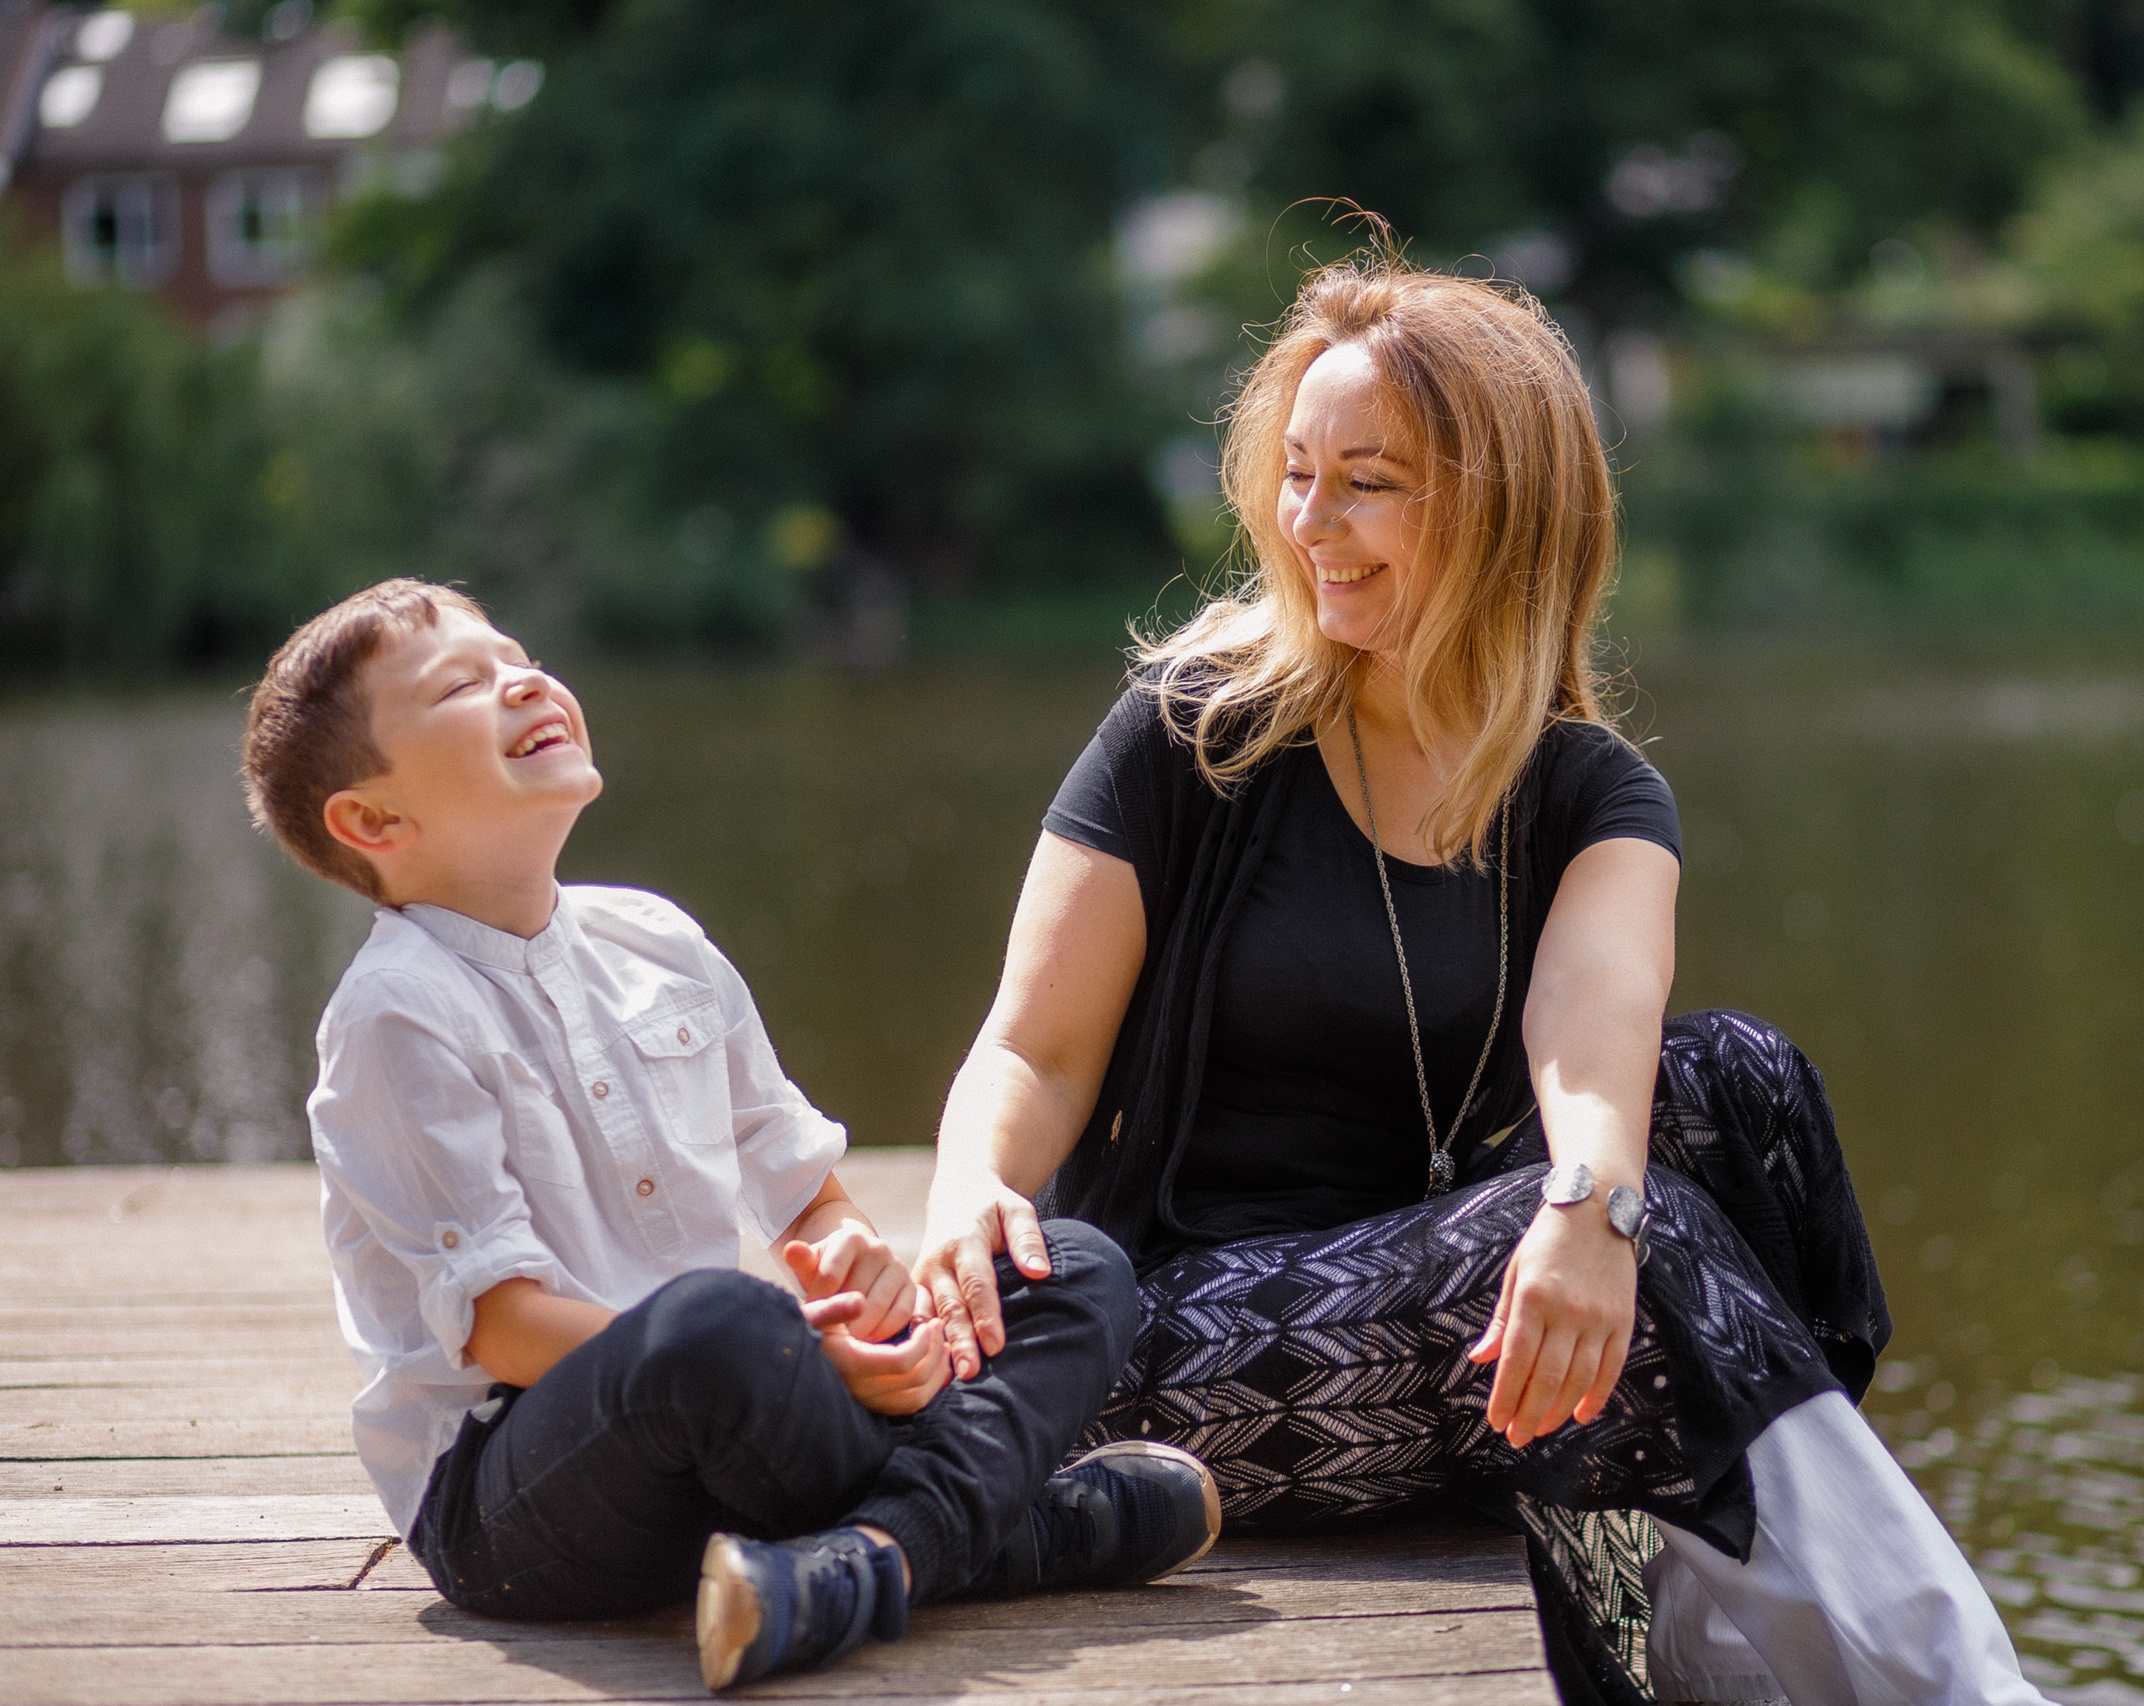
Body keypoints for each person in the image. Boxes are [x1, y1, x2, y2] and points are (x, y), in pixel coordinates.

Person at [912, 257, 2049, 1706]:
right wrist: (967, 1193)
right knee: (1630, 1225)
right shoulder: (1192, 735)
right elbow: (1032, 1049)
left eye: (1365, 483)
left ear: (1500, 506)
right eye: (1297, 475)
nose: (1307, 523)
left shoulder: (1591, 790)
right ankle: (1951, 1684)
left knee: (1739, 1086)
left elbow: (1599, 1013)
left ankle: (1716, 1603)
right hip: (1173, 1350)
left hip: (1462, 1328)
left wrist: (1590, 1195)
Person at [240, 579, 1219, 1693]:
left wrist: (861, 1272)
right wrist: (805, 1353)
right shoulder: (396, 1010)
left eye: (513, 650)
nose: (518, 676)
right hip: (516, 1492)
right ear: (375, 821)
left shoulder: (656, 939)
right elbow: (505, 1329)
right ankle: (1018, 1534)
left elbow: (806, 1191)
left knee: (1069, 1255)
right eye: (460, 683)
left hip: (736, 1417)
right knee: (717, 1318)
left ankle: (864, 1556)